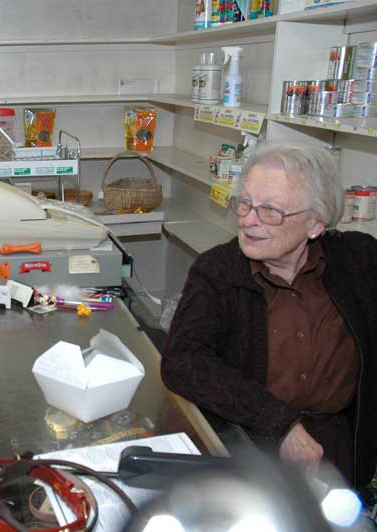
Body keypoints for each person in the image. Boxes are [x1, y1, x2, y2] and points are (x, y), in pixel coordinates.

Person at [161, 142, 377, 489]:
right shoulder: (218, 271)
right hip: (252, 452)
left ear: (315, 224)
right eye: (244, 203)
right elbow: (183, 361)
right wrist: (281, 423)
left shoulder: (357, 260)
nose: (248, 220)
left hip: (339, 454)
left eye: (270, 211)